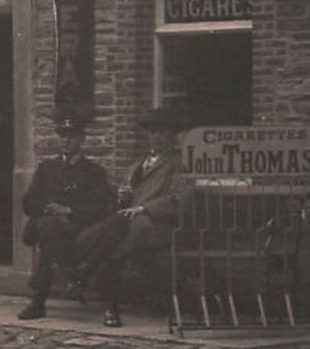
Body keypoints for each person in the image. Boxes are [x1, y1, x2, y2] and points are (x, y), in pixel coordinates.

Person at [69, 103, 188, 327]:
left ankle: (88, 278)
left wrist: (143, 209)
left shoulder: (180, 163)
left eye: (163, 133)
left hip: (157, 225)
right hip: (127, 225)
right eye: (152, 133)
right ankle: (102, 297)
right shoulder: (138, 165)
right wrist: (123, 196)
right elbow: (125, 201)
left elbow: (178, 199)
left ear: (173, 136)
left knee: (110, 240)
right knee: (103, 239)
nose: (157, 137)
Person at [17, 113, 112, 320]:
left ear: (82, 140)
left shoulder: (94, 172)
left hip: (77, 227)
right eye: (62, 136)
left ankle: (37, 301)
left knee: (48, 234)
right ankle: (74, 277)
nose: (66, 141)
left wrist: (69, 211)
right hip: (48, 224)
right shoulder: (46, 168)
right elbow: (28, 202)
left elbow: (100, 207)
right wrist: (49, 208)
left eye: (71, 136)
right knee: (49, 227)